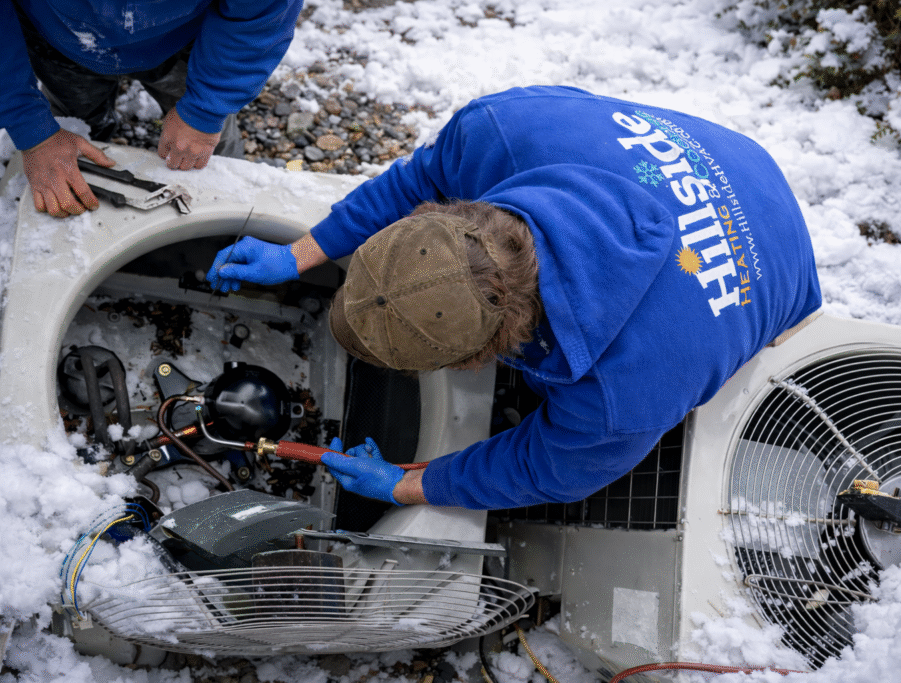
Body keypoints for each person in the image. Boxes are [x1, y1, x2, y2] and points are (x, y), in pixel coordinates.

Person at [206, 85, 822, 511]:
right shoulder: (501, 134)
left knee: (720, 358)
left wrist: (405, 487)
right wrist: (300, 252)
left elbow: (546, 468)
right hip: (721, 159)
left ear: (486, 353)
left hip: (773, 249)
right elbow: (419, 177)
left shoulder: (622, 396)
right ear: (449, 216)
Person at [3, 0, 302, 218]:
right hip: (58, 34)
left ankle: (228, 212)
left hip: (184, 37)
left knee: (205, 153)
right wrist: (34, 130)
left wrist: (206, 108)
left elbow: (262, 13)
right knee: (76, 121)